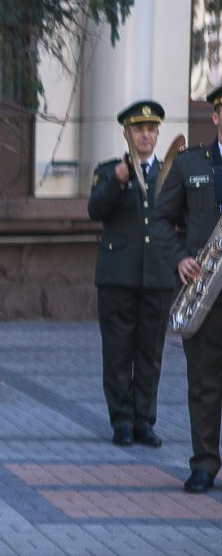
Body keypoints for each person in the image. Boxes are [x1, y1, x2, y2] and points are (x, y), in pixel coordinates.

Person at [87, 100, 176, 448]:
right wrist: (118, 182)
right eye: (139, 129)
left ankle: (145, 421)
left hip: (157, 274)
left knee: (150, 353)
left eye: (152, 129)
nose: (146, 136)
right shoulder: (109, 171)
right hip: (117, 275)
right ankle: (122, 420)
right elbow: (96, 210)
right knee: (118, 351)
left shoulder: (171, 172)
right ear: (126, 134)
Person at [152, 84, 222, 494]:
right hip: (204, 294)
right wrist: (179, 258)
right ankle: (204, 464)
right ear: (215, 116)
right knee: (203, 383)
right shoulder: (189, 164)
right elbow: (160, 220)